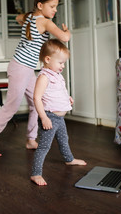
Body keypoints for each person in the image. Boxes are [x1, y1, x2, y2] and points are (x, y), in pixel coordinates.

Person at [0, 0, 71, 157]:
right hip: (21, 67)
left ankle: (31, 139)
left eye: (55, 6)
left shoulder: (29, 16)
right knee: (11, 106)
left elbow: (17, 17)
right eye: (52, 6)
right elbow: (64, 38)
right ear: (40, 5)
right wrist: (67, 31)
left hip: (26, 68)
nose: (55, 10)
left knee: (37, 103)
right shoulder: (45, 22)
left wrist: (27, 22)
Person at [31, 39, 86, 186]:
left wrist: (67, 99)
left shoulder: (57, 75)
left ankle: (69, 159)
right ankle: (36, 174)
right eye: (60, 63)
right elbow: (36, 98)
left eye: (64, 63)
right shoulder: (44, 77)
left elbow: (58, 92)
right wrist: (43, 118)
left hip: (60, 118)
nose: (63, 66)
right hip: (49, 117)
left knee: (63, 139)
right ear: (47, 59)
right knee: (44, 146)